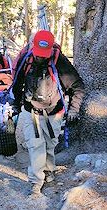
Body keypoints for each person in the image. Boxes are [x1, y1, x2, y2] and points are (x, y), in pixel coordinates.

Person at [12, 30, 85, 196]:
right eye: (38, 53)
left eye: (44, 54)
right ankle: (35, 182)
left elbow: (78, 86)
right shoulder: (27, 59)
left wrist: (74, 109)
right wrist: (16, 106)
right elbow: (17, 85)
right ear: (32, 47)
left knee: (50, 143)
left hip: (55, 111)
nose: (40, 57)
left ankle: (49, 170)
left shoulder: (59, 60)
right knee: (35, 145)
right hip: (33, 112)